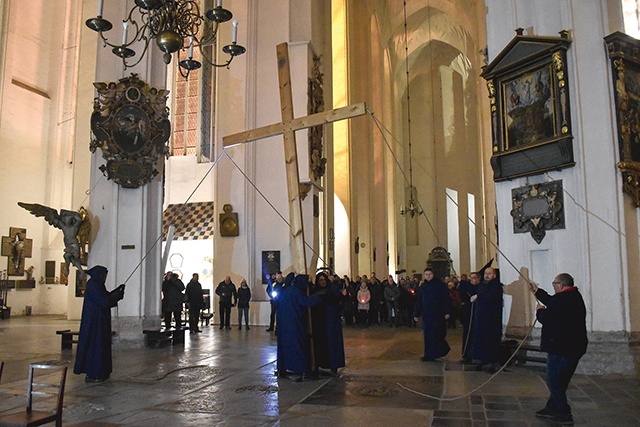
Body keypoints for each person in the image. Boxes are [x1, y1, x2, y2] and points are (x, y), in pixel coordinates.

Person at [529, 273, 588, 426]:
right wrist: (537, 291)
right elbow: (552, 301)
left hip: (563, 348)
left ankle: (564, 413)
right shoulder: (572, 296)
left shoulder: (564, 300)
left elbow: (547, 318)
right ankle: (552, 407)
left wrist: (540, 311)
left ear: (561, 285)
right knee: (559, 381)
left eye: (554, 283)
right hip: (570, 346)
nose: (553, 286)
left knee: (554, 381)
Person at [73, 265, 125, 383]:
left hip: (100, 321)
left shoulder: (98, 284)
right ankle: (94, 372)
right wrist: (115, 296)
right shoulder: (93, 285)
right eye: (104, 274)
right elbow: (103, 301)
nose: (105, 277)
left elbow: (106, 297)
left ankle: (102, 371)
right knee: (95, 346)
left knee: (101, 345)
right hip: (94, 322)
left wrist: (117, 292)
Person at [276, 273, 322, 380]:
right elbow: (306, 302)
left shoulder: (284, 291)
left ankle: (282, 369)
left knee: (285, 347)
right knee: (298, 346)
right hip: (295, 323)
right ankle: (302, 370)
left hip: (283, 324)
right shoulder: (296, 291)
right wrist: (318, 295)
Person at [310, 272, 346, 376]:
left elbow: (338, 299)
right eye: (320, 280)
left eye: (324, 280)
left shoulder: (331, 290)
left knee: (332, 344)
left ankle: (333, 366)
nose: (323, 282)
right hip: (319, 323)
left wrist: (343, 295)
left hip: (330, 321)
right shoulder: (314, 290)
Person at [469, 267, 503, 372]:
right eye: (485, 273)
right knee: (481, 338)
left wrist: (478, 296)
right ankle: (482, 359)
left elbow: (491, 296)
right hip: (481, 318)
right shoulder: (482, 285)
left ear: (494, 275)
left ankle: (493, 361)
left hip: (492, 319)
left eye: (489, 273)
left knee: (491, 339)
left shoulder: (497, 286)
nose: (486, 275)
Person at [413, 268, 452, 361]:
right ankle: (429, 354)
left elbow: (446, 299)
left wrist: (447, 311)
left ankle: (440, 350)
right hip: (427, 315)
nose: (428, 276)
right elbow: (419, 301)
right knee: (427, 335)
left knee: (437, 334)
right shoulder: (423, 287)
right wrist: (416, 313)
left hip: (438, 314)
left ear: (433, 274)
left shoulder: (440, 285)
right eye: (426, 274)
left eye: (429, 274)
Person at [458, 271, 479, 364]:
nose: (473, 280)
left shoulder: (481, 287)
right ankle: (467, 355)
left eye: (475, 278)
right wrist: (462, 282)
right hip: (469, 312)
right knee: (468, 333)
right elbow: (462, 293)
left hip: (479, 313)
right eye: (471, 278)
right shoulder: (466, 286)